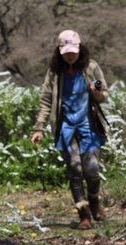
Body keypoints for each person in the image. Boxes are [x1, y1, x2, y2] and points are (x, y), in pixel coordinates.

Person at [31, 30, 109, 230]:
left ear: (80, 49)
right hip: (65, 128)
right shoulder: (55, 73)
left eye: (73, 51)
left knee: (91, 170)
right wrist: (39, 128)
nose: (70, 55)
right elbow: (46, 100)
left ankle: (94, 201)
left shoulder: (91, 67)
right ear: (60, 51)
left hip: (89, 126)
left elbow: (104, 95)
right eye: (66, 52)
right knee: (74, 169)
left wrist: (96, 92)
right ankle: (84, 214)